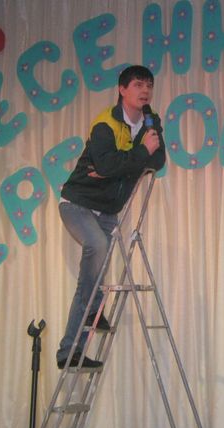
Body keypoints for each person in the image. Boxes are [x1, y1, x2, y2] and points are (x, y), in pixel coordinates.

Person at [56, 65, 166, 369]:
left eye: (149, 85)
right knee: (97, 248)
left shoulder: (150, 122)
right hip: (78, 202)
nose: (145, 91)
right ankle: (90, 314)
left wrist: (125, 162)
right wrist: (137, 155)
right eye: (138, 85)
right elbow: (106, 165)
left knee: (91, 280)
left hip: (107, 211)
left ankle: (71, 351)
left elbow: (157, 161)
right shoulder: (105, 124)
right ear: (122, 89)